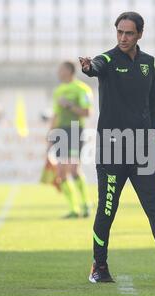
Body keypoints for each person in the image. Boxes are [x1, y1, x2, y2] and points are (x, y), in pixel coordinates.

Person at [79, 12, 155, 287]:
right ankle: (99, 265)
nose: (123, 38)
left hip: (142, 150)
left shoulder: (148, 63)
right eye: (119, 32)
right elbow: (95, 66)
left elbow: (153, 104)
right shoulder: (107, 59)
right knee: (107, 210)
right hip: (112, 150)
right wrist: (87, 66)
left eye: (129, 33)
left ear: (140, 34)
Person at [49, 61, 94, 219]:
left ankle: (86, 204)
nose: (58, 72)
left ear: (68, 71)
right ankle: (74, 209)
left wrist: (69, 105)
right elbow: (55, 115)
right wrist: (50, 134)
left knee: (74, 169)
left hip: (75, 129)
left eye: (60, 69)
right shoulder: (58, 91)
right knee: (61, 171)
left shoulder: (82, 89)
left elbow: (87, 112)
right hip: (60, 131)